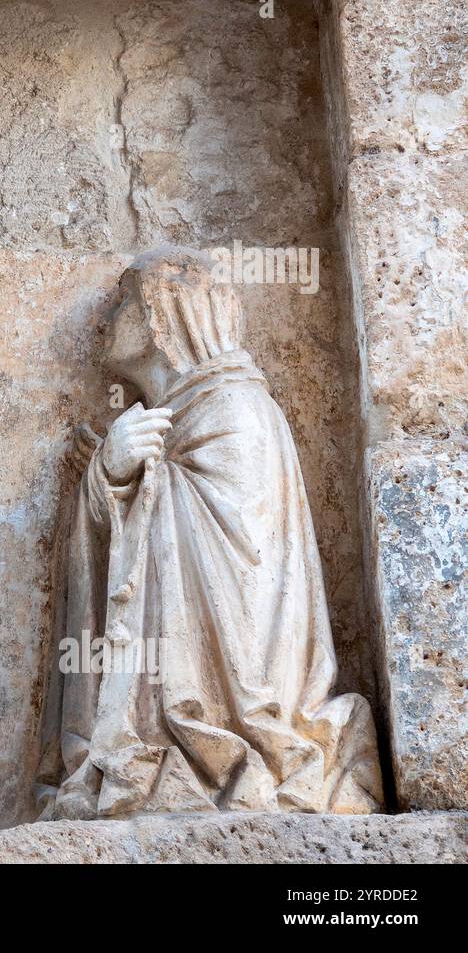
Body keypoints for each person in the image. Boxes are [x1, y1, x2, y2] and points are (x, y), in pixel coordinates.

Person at [36, 246, 383, 818]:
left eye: (123, 303)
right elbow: (151, 524)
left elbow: (237, 575)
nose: (105, 320)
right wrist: (108, 473)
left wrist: (125, 473)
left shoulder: (236, 408)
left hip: (230, 693)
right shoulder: (181, 414)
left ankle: (212, 757)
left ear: (164, 317)